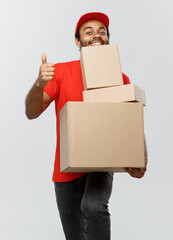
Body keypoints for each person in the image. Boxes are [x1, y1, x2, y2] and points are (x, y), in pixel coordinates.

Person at [24, 12, 147, 240]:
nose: (96, 35)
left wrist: (141, 157)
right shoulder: (60, 72)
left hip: (100, 166)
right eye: (88, 32)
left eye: (102, 31)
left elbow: (131, 120)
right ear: (78, 42)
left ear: (108, 39)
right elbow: (31, 113)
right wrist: (39, 84)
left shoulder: (121, 79)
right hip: (65, 170)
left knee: (93, 206)